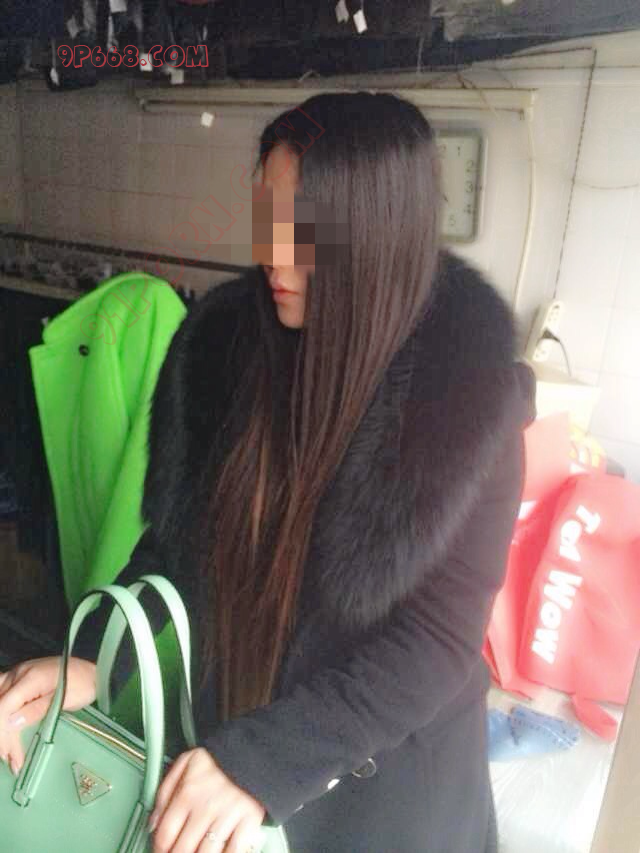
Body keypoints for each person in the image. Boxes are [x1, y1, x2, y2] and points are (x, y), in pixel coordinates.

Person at [0, 92, 536, 853]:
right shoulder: (225, 351)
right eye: (267, 219)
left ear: (374, 236)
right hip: (238, 722)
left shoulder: (465, 403)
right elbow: (177, 545)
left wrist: (262, 762)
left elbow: (437, 642)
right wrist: (95, 656)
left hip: (380, 784)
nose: (273, 256)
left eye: (302, 230)